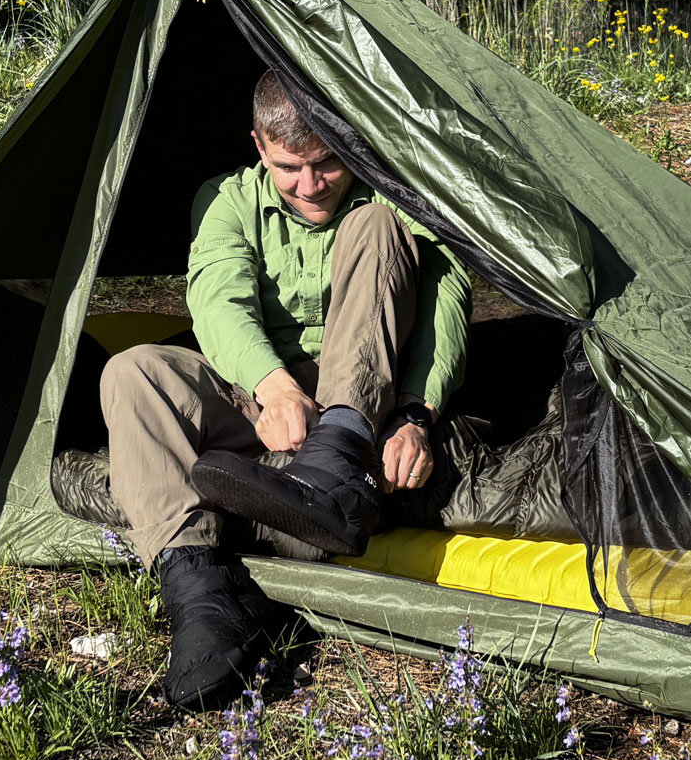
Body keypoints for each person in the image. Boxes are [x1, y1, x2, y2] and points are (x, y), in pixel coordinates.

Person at [99, 70, 473, 710]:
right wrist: (271, 385)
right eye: (289, 168)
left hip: (361, 387)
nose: (309, 186)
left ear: (349, 143)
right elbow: (217, 299)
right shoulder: (227, 199)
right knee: (131, 371)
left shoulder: (387, 201)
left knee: (378, 226)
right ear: (257, 145)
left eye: (327, 164)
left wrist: (415, 413)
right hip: (264, 388)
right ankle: (203, 594)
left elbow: (446, 304)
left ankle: (335, 466)